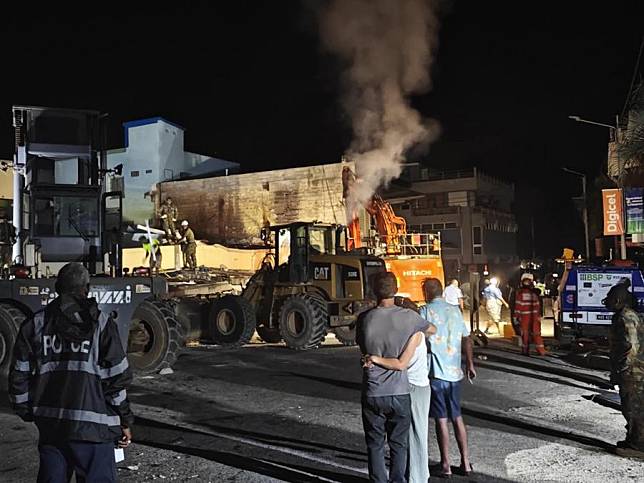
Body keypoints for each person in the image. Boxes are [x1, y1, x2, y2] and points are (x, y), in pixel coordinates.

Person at [8, 263, 134, 482]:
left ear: (58, 287)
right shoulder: (101, 325)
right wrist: (124, 419)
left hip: (52, 429)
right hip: (94, 432)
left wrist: (26, 410)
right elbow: (115, 379)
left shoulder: (35, 324)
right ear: (87, 289)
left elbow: (19, 374)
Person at [357, 271, 436, 483]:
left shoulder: (364, 318)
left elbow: (362, 348)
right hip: (400, 391)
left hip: (373, 389)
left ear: (374, 290)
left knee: (374, 444)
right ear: (396, 288)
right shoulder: (409, 318)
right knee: (399, 444)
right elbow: (431, 329)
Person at [422, 277, 476, 478]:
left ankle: (445, 464)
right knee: (457, 417)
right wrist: (469, 364)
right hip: (454, 373)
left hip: (436, 373)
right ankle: (465, 462)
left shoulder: (425, 311)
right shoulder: (455, 311)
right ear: (442, 292)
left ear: (426, 292)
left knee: (441, 419)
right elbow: (467, 339)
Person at [364, 325, 431, 483]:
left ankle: (415, 477)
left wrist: (375, 359)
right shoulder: (410, 333)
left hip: (410, 386)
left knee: (407, 437)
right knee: (404, 439)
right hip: (411, 387)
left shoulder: (413, 335)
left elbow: (402, 363)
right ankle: (412, 477)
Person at [603, 280, 644, 458]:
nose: (607, 301)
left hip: (634, 372)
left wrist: (622, 369)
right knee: (631, 407)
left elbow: (631, 346)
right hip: (632, 371)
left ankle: (638, 446)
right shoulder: (624, 315)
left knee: (633, 408)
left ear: (619, 300)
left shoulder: (625, 317)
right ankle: (633, 440)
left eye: (611, 298)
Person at [513, 273, 546, 356]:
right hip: (534, 317)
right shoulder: (534, 294)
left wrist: (515, 317)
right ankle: (541, 351)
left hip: (524, 318)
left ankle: (525, 350)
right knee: (536, 334)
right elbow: (538, 306)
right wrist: (538, 316)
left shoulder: (520, 294)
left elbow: (518, 307)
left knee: (525, 334)